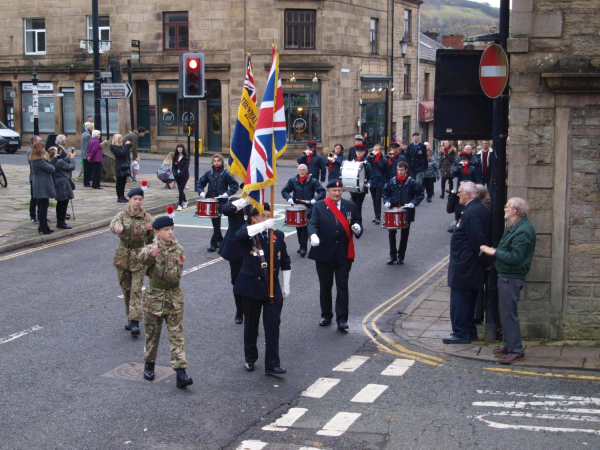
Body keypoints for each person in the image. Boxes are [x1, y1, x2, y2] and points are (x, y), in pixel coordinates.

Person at [234, 203, 291, 374]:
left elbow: (285, 261)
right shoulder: (249, 234)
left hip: (272, 288)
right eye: (263, 216)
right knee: (251, 325)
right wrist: (262, 226)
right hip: (251, 287)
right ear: (254, 218)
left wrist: (286, 285)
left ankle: (272, 364)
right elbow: (240, 234)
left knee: (273, 325)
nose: (267, 219)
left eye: (269, 215)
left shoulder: (278, 235)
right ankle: (250, 358)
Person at [138, 215, 193, 389]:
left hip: (175, 297)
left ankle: (181, 372)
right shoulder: (151, 249)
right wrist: (150, 255)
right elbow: (141, 261)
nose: (170, 232)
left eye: (171, 229)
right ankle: (149, 363)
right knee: (152, 334)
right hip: (155, 297)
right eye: (166, 230)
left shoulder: (179, 249)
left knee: (177, 335)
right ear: (157, 232)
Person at [480, 198, 536, 364]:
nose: (504, 208)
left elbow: (515, 257)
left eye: (507, 206)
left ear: (515, 211)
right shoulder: (514, 225)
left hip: (512, 276)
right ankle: (509, 345)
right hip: (506, 275)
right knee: (504, 313)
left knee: (508, 314)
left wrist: (493, 252)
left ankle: (516, 350)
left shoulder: (523, 230)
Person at [308, 179, 363, 331]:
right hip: (324, 253)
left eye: (339, 191)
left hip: (344, 254)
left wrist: (358, 229)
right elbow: (312, 224)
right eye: (334, 190)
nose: (337, 193)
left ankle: (342, 319)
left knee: (342, 286)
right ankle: (326, 315)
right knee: (325, 286)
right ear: (328, 191)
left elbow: (357, 222)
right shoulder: (319, 206)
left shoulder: (350, 206)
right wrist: (312, 235)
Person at [444, 181, 491, 344]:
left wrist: (486, 262)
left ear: (469, 194)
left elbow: (478, 240)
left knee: (461, 301)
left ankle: (461, 332)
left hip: (466, 265)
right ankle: (469, 330)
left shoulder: (472, 212)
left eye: (460, 192)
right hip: (467, 264)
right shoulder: (475, 209)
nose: (458, 194)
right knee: (467, 300)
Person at [110, 187, 154, 336]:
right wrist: (117, 229)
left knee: (136, 290)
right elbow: (113, 225)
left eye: (140, 199)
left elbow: (151, 238)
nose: (137, 202)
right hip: (122, 256)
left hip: (138, 256)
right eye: (135, 199)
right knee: (126, 290)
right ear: (129, 200)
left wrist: (152, 254)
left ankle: (135, 322)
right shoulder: (121, 215)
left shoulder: (147, 218)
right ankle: (130, 317)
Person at [219, 190, 253, 324]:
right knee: (237, 281)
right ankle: (239, 310)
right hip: (236, 249)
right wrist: (243, 201)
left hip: (253, 248)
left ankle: (250, 310)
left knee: (253, 281)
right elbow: (224, 209)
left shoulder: (259, 203)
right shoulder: (236, 202)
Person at [383, 161, 424, 265]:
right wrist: (386, 201)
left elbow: (420, 194)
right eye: (398, 170)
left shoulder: (412, 182)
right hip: (393, 210)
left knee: (404, 235)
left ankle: (401, 256)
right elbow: (385, 192)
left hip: (406, 211)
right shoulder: (392, 181)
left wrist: (413, 203)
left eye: (401, 170)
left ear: (406, 170)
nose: (399, 172)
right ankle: (392, 255)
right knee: (391, 233)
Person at [197, 153, 240, 252]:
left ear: (221, 162)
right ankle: (220, 240)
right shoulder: (209, 173)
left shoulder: (226, 173)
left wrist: (227, 193)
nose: (216, 163)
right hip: (211, 201)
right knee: (216, 223)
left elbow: (235, 186)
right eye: (214, 161)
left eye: (218, 161)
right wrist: (201, 192)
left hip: (221, 201)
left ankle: (213, 243)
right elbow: (200, 183)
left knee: (217, 222)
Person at [281, 164, 326, 257]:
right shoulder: (293, 181)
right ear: (297, 171)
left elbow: (322, 191)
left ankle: (303, 248)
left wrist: (315, 200)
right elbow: (284, 191)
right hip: (296, 207)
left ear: (307, 171)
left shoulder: (313, 181)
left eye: (303, 170)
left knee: (305, 226)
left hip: (308, 208)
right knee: (298, 227)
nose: (301, 171)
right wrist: (289, 198)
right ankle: (301, 245)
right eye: (300, 170)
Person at [29, 142, 56, 235]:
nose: (45, 149)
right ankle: (43, 226)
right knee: (43, 206)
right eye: (43, 148)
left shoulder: (35, 160)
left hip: (39, 184)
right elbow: (52, 169)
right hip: (42, 185)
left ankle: (44, 226)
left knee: (42, 205)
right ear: (39, 150)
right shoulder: (39, 161)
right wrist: (53, 159)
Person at [51, 142, 76, 230]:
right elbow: (71, 167)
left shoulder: (56, 161)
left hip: (60, 183)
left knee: (62, 203)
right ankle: (61, 222)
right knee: (63, 203)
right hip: (62, 183)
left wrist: (67, 157)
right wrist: (72, 158)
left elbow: (63, 162)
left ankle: (61, 221)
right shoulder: (58, 162)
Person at [349, 144, 371, 224]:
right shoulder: (352, 163)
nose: (359, 153)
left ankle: (359, 224)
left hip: (362, 188)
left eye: (360, 151)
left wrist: (368, 183)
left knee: (358, 206)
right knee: (353, 206)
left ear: (364, 152)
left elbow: (371, 176)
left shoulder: (367, 164)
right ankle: (354, 222)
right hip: (353, 187)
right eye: (357, 151)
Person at [367, 144, 386, 225]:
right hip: (372, 181)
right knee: (374, 199)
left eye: (376, 150)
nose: (374, 151)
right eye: (373, 149)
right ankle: (376, 216)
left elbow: (386, 170)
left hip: (380, 181)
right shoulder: (371, 158)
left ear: (380, 150)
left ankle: (378, 217)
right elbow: (366, 162)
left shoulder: (383, 159)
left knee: (378, 199)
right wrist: (369, 156)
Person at [110, 134, 132, 203]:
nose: (121, 140)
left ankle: (123, 196)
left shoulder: (121, 147)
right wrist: (126, 146)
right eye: (120, 138)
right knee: (119, 182)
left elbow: (126, 152)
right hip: (119, 166)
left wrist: (128, 145)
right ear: (116, 139)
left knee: (123, 182)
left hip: (124, 165)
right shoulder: (114, 147)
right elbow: (121, 153)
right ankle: (119, 197)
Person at [27, 135, 42, 223]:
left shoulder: (40, 150)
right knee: (34, 198)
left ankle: (41, 215)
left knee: (41, 198)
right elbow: (32, 163)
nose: (41, 142)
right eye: (39, 141)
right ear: (34, 141)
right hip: (34, 178)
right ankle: (33, 216)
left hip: (40, 178)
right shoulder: (30, 151)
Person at [173, 144, 190, 210]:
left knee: (180, 190)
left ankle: (179, 205)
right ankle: (185, 201)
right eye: (178, 147)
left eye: (181, 147)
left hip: (184, 176)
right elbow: (173, 167)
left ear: (183, 148)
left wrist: (180, 173)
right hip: (177, 176)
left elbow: (186, 168)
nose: (179, 148)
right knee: (180, 190)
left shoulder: (186, 157)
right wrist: (175, 174)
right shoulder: (175, 157)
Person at [80, 122, 93, 187]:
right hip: (86, 155)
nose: (92, 128)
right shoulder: (88, 135)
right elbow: (88, 146)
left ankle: (86, 181)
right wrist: (89, 155)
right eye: (91, 127)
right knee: (88, 170)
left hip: (83, 154)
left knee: (86, 169)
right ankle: (86, 182)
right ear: (89, 128)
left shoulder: (83, 134)